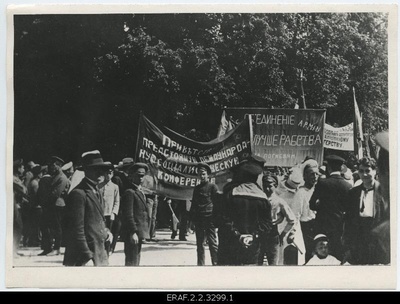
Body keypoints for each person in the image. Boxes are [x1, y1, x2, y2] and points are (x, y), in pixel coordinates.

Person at [217, 155, 273, 266]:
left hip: (229, 250)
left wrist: (238, 235)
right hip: (252, 250)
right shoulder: (263, 198)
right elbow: (267, 225)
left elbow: (222, 220)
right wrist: (253, 235)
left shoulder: (230, 194)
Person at [63, 150, 113, 266]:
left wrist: (106, 232)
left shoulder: (95, 191)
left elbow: (96, 220)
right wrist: (87, 255)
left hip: (98, 251)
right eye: (96, 168)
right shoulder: (79, 194)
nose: (101, 172)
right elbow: (77, 229)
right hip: (84, 256)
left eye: (103, 168)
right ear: (87, 170)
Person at [342, 156, 389, 265]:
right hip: (359, 240)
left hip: (378, 240)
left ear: (374, 171)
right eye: (361, 171)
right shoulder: (353, 193)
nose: (364, 174)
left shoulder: (385, 191)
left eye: (367, 171)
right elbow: (349, 220)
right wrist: (348, 243)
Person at [309, 155, 352, 261]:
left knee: (322, 257)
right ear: (341, 168)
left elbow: (312, 204)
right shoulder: (348, 186)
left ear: (329, 167)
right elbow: (349, 209)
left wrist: (321, 206)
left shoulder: (323, 183)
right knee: (337, 256)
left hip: (322, 227)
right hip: (339, 228)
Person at [258, 173, 295, 266]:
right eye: (265, 186)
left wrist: (283, 234)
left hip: (272, 235)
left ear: (275, 186)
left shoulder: (279, 202)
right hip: (260, 234)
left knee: (273, 263)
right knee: (258, 263)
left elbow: (292, 219)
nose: (267, 189)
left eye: (270, 186)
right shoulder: (259, 200)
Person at [120, 162, 151, 266]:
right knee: (132, 261)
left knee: (136, 260)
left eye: (143, 176)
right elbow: (128, 215)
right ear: (132, 176)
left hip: (138, 233)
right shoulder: (129, 192)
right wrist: (133, 232)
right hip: (133, 233)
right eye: (138, 175)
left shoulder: (139, 191)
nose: (141, 178)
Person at [38, 156, 70, 256]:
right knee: (47, 226)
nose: (51, 166)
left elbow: (55, 194)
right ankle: (47, 248)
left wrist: (45, 199)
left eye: (53, 165)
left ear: (58, 166)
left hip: (57, 205)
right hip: (50, 205)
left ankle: (56, 248)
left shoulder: (62, 177)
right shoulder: (55, 176)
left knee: (56, 227)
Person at [274, 167, 306, 265]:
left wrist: (291, 232)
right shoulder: (298, 195)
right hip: (287, 225)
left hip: (287, 226)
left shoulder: (282, 194)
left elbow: (296, 216)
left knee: (285, 253)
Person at [190, 163, 219, 266]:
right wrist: (191, 221)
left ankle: (215, 264)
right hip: (199, 219)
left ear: (208, 175)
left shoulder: (213, 187)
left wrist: (216, 221)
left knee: (212, 243)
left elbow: (217, 204)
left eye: (203, 174)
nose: (201, 176)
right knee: (200, 244)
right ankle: (200, 265)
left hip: (210, 219)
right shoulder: (196, 188)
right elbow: (193, 205)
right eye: (200, 174)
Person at [296, 159, 320, 263]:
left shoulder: (319, 190)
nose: (314, 177)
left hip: (318, 226)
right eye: (311, 174)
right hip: (306, 228)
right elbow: (295, 214)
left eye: (316, 174)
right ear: (305, 176)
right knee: (309, 254)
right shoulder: (301, 193)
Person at [99, 164, 120, 256]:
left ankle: (108, 251)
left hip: (109, 214)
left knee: (109, 234)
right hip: (100, 214)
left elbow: (117, 201)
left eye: (110, 173)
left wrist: (114, 213)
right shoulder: (99, 186)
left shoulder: (115, 187)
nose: (108, 175)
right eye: (107, 173)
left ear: (113, 174)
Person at [13, 158, 27, 257]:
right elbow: (23, 190)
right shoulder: (13, 178)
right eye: (22, 167)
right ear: (18, 168)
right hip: (13, 204)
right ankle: (13, 250)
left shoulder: (15, 178)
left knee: (17, 226)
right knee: (17, 226)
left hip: (16, 203)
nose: (23, 169)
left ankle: (14, 249)